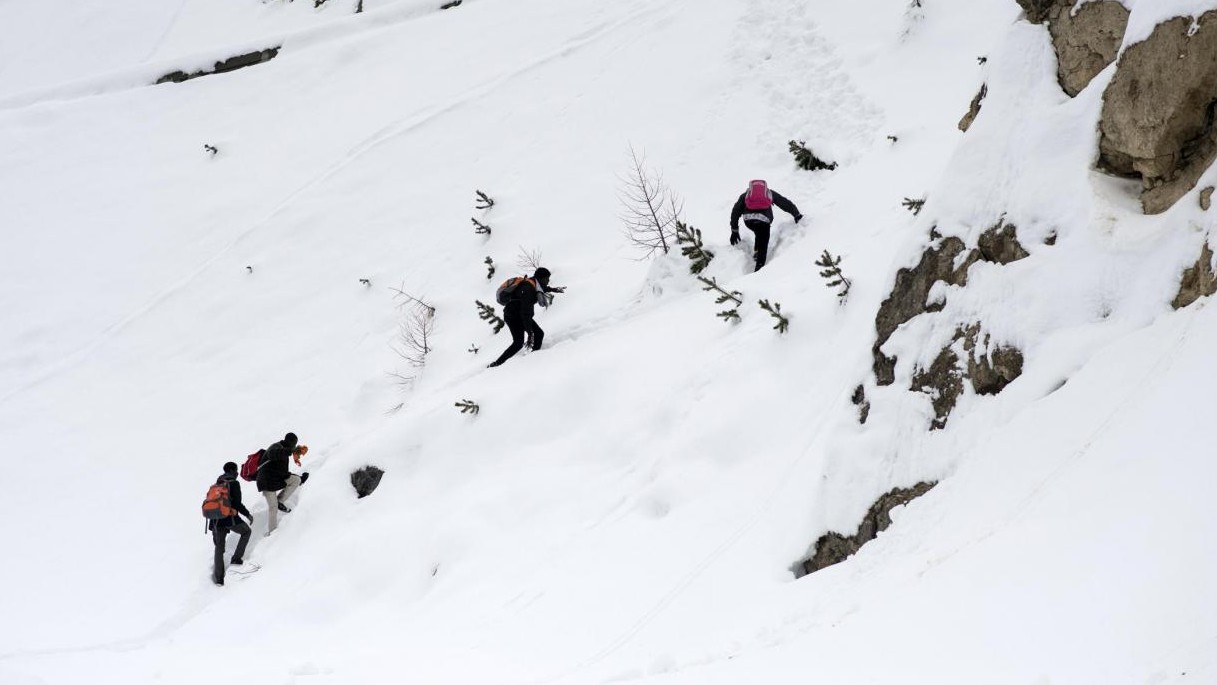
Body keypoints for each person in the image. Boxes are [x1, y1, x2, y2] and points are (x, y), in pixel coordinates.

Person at [488, 267, 563, 368]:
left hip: (515, 314)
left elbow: (541, 288)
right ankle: (499, 364)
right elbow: (525, 313)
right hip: (514, 316)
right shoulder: (528, 289)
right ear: (541, 278)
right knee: (523, 340)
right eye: (547, 279)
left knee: (529, 338)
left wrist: (553, 289)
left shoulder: (532, 283)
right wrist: (530, 333)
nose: (548, 281)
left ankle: (499, 363)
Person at [729, 179, 803, 271]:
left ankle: (757, 251)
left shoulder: (745, 195)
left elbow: (735, 211)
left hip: (749, 220)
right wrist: (796, 214)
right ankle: (759, 270)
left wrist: (734, 230)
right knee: (763, 246)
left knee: (758, 231)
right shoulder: (769, 193)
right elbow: (784, 203)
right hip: (764, 221)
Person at [256, 432, 309, 535]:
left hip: (275, 480)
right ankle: (272, 533)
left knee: (296, 480)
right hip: (266, 482)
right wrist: (290, 450)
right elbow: (272, 454)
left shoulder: (284, 454)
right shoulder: (276, 447)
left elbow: (284, 474)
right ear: (291, 442)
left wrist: (300, 479)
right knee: (273, 507)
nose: (294, 446)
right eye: (294, 444)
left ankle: (280, 501)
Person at [210, 461, 253, 586]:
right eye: (236, 470)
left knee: (219, 547)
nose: (237, 473)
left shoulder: (216, 484)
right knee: (246, 531)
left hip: (215, 520)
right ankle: (236, 559)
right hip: (229, 518)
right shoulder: (233, 483)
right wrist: (247, 515)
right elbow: (237, 504)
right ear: (233, 470)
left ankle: (219, 579)